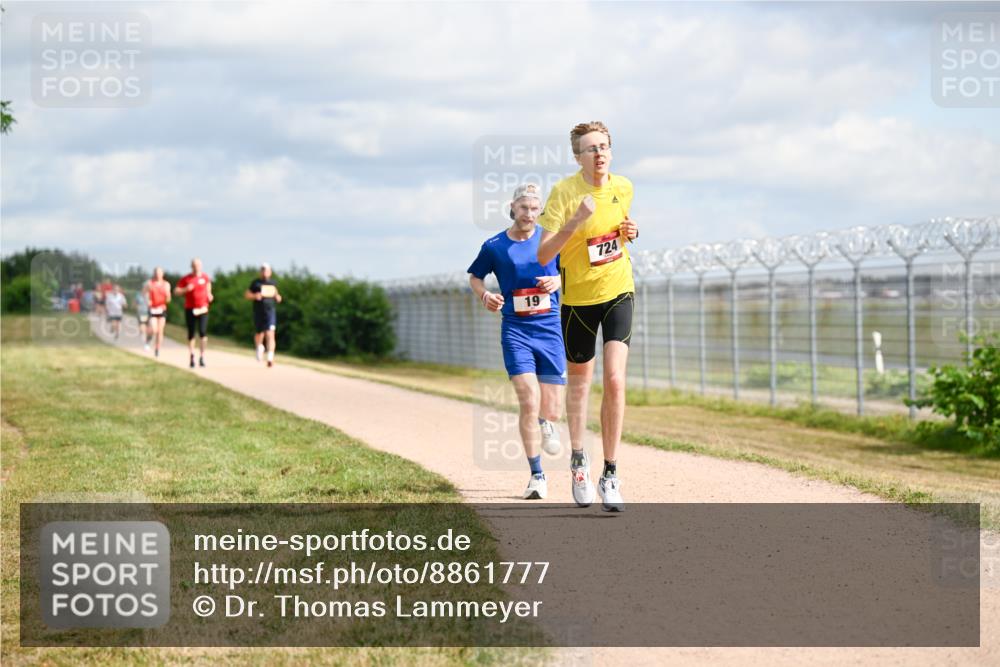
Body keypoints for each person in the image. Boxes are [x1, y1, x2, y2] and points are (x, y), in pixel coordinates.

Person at [537, 121, 639, 512]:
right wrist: (576, 221)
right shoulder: (564, 192)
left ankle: (610, 472)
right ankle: (579, 460)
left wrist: (630, 231)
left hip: (618, 289)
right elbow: (545, 255)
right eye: (590, 149)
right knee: (580, 385)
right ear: (577, 157)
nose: (598, 154)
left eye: (604, 147)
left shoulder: (624, 187)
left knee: (615, 379)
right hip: (577, 300)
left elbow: (617, 233)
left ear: (611, 151)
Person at [468, 183, 565, 500]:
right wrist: (485, 295)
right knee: (527, 398)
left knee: (551, 408)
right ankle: (537, 475)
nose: (529, 214)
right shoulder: (494, 245)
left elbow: (573, 269)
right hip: (515, 330)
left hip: (550, 328)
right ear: (513, 208)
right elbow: (475, 277)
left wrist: (558, 280)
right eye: (524, 208)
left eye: (535, 208)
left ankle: (547, 422)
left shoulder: (552, 238)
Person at [174, 258, 213, 368]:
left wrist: (209, 295)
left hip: (203, 308)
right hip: (190, 308)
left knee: (203, 332)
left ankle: (202, 357)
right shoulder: (186, 278)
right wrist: (185, 289)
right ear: (191, 266)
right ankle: (191, 356)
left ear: (201, 266)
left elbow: (208, 289)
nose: (197, 267)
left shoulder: (205, 277)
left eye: (198, 265)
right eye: (195, 265)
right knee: (191, 333)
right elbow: (176, 291)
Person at [244, 263, 282, 367]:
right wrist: (254, 296)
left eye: (266, 270)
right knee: (259, 334)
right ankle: (259, 347)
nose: (265, 272)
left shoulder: (273, 283)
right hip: (258, 312)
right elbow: (247, 295)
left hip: (270, 312)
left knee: (270, 333)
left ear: (270, 272)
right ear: (260, 272)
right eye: (263, 270)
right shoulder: (255, 283)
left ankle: (270, 357)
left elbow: (277, 294)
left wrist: (278, 297)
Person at [144, 267, 171, 358]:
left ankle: (157, 348)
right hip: (152, 308)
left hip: (162, 308)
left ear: (162, 274)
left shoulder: (166, 284)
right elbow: (144, 293)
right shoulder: (150, 283)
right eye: (156, 272)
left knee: (160, 330)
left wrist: (167, 297)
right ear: (154, 273)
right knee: (154, 329)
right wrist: (147, 300)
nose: (158, 274)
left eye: (159, 273)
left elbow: (168, 298)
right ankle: (148, 341)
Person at [135, 286, 151, 350]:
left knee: (149, 329)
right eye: (143, 288)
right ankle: (145, 342)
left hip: (149, 313)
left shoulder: (150, 295)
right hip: (141, 313)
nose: (144, 290)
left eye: (146, 289)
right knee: (142, 327)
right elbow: (136, 303)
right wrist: (137, 308)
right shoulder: (138, 295)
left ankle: (147, 341)